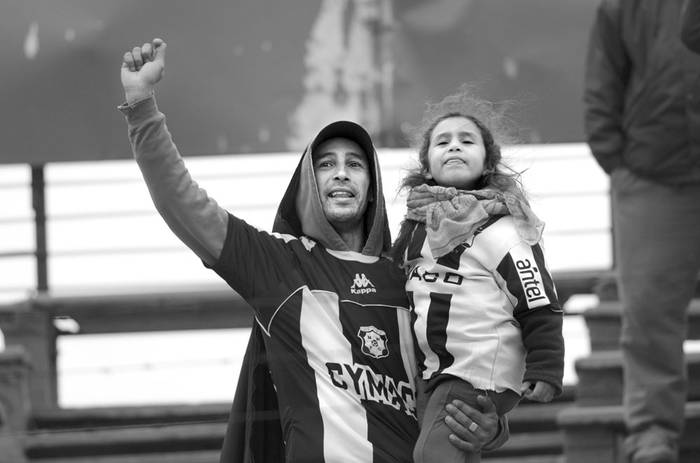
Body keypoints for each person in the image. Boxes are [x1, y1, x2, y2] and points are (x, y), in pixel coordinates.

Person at [119, 38, 508, 462]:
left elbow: (468, 364)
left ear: (372, 185)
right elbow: (182, 202)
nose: (341, 173)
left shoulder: (414, 273)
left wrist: (492, 426)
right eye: (326, 164)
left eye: (355, 164)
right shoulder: (276, 263)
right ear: (308, 181)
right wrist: (142, 105)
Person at [389, 90, 565, 463]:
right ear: (426, 166)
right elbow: (392, 283)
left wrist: (546, 368)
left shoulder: (503, 227)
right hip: (435, 372)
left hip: (477, 368)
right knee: (453, 451)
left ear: (487, 164)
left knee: (431, 455)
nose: (454, 146)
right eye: (443, 142)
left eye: (466, 141)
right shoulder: (412, 231)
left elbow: (538, 300)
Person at [584, 1, 700, 462]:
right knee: (649, 314)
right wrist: (621, 165)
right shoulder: (622, 5)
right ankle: (652, 432)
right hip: (653, 178)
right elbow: (601, 86)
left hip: (651, 172)